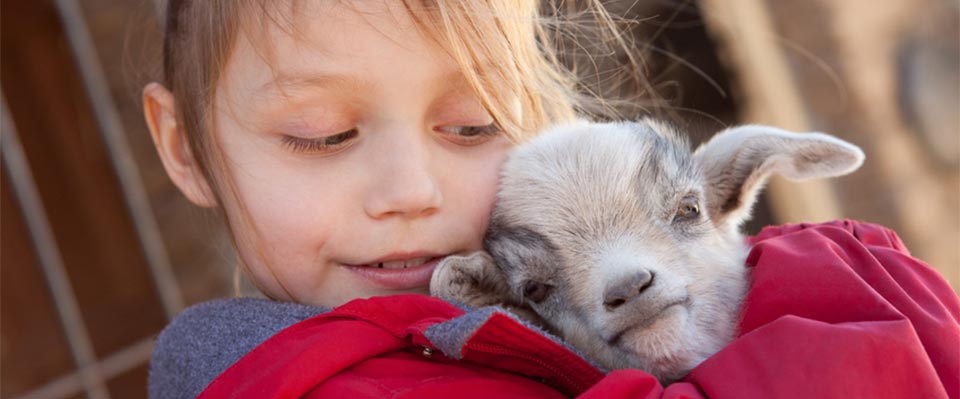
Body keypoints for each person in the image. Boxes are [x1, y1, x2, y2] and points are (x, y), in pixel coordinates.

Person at [143, 1, 959, 398]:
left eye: (470, 125)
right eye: (321, 134)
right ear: (184, 147)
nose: (410, 191)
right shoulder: (293, 381)